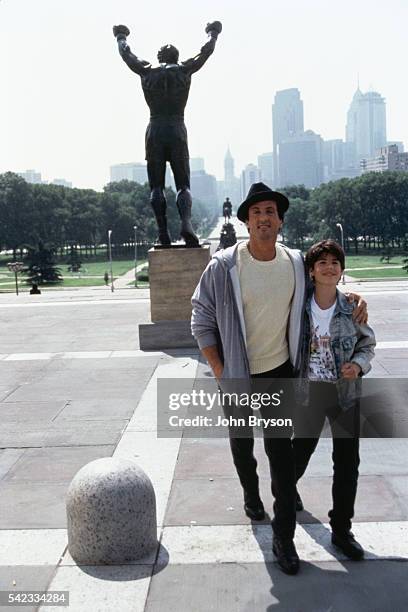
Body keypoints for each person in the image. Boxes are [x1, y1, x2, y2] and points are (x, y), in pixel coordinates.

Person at [191, 182, 368, 575]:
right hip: (236, 373)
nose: (263, 218)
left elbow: (327, 284)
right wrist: (220, 370)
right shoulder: (224, 266)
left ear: (280, 220)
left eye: (270, 211)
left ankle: (283, 538)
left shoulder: (292, 264)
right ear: (246, 222)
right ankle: (252, 496)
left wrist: (355, 296)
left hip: (277, 373)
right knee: (241, 444)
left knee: (280, 456)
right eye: (256, 213)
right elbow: (200, 317)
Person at [292, 240, 376, 560]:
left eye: (335, 262)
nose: (329, 267)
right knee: (300, 449)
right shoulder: (298, 307)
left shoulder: (351, 308)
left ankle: (342, 529)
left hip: (345, 394)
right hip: (310, 391)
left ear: (341, 270)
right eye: (322, 262)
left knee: (346, 463)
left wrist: (358, 365)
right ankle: (287, 491)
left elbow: (367, 345)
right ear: (311, 271)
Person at [113, 22, 222, 246]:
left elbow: (127, 55)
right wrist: (213, 33)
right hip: (177, 129)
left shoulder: (147, 71)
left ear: (160, 57)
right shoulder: (184, 70)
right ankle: (186, 225)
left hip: (154, 130)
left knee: (156, 187)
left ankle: (163, 233)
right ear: (176, 57)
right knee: (183, 185)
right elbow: (206, 52)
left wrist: (121, 36)